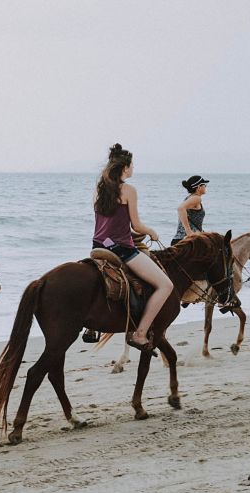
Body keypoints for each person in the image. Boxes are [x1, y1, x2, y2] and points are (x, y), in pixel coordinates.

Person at [93, 144, 173, 350]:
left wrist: (132, 233)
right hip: (120, 249)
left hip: (98, 245)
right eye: (132, 166)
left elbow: (108, 224)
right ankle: (140, 334)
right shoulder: (128, 190)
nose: (133, 169)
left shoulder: (99, 189)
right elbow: (136, 225)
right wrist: (151, 232)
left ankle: (92, 326)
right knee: (166, 285)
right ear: (125, 168)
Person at [171, 175, 209, 245]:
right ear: (199, 187)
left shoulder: (190, 198)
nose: (205, 187)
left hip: (181, 240)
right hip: (187, 242)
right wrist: (188, 231)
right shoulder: (196, 198)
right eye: (204, 185)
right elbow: (180, 208)